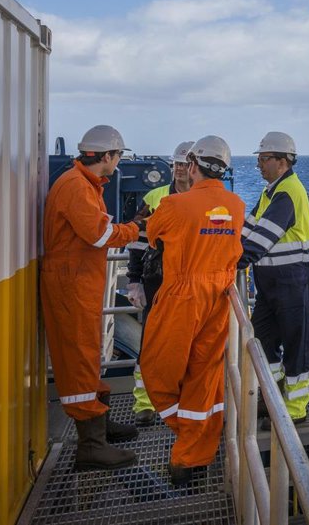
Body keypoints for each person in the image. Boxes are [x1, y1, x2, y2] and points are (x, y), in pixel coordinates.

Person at [139, 135, 245, 486]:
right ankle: (192, 454)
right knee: (204, 375)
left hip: (182, 295)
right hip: (220, 297)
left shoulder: (173, 204)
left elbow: (152, 235)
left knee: (156, 369)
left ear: (193, 165)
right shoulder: (237, 205)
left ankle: (185, 432)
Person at [41, 125, 144, 471]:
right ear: (107, 156)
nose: (118, 162)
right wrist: (136, 229)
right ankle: (91, 446)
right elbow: (99, 234)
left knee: (88, 353)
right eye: (118, 156)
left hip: (78, 282)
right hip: (71, 285)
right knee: (79, 357)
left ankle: (100, 425)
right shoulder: (76, 187)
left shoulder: (83, 184)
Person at [240, 131, 309, 424]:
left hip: (293, 283)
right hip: (272, 286)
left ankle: (295, 410)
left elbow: (260, 240)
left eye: (263, 159)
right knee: (262, 339)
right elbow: (247, 230)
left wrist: (232, 262)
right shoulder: (270, 192)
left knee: (297, 344)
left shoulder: (287, 193)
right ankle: (272, 396)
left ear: (282, 161)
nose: (258, 164)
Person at [126, 140, 194, 425]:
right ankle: (144, 403)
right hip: (158, 281)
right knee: (151, 342)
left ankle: (185, 400)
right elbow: (137, 240)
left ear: (194, 167)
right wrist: (134, 281)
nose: (179, 169)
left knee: (190, 344)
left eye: (184, 164)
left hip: (192, 285)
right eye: (176, 164)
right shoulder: (155, 198)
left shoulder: (202, 199)